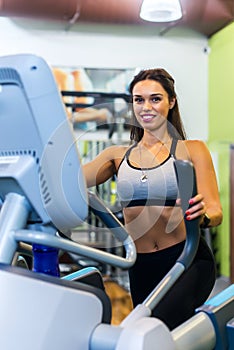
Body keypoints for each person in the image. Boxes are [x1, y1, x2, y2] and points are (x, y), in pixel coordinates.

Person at [83, 68, 223, 330]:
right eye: (139, 99)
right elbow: (69, 180)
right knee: (153, 335)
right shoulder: (117, 156)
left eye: (155, 99)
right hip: (141, 264)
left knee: (153, 331)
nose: (146, 106)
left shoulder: (192, 149)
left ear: (171, 102)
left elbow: (216, 209)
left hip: (187, 260)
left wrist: (203, 216)